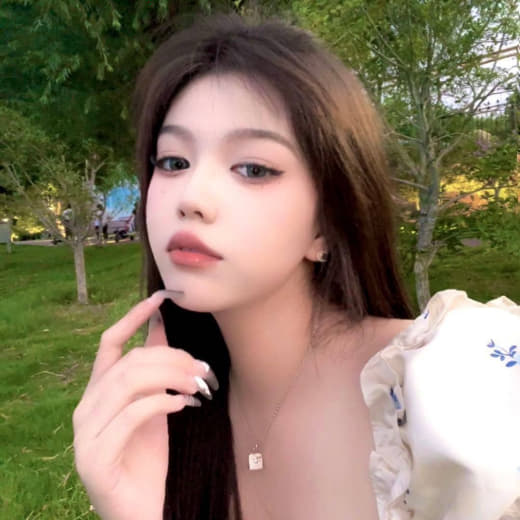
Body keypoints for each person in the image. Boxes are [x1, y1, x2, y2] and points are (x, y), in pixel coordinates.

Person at [72, 13, 520, 520]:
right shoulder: (167, 418)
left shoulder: (461, 385)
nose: (191, 197)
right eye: (173, 162)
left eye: (253, 168)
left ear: (327, 223)